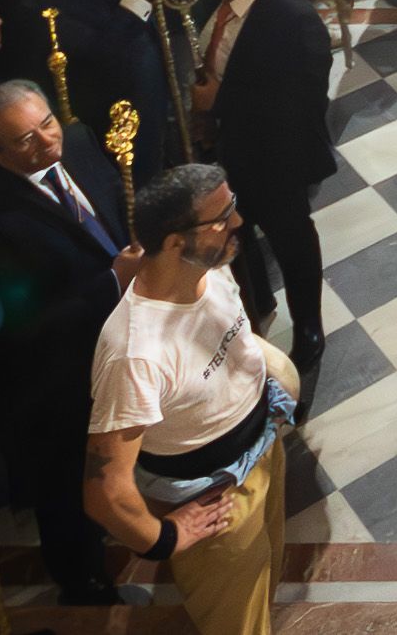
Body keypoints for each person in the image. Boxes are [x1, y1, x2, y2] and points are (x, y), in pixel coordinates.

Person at [86, 165, 297, 635]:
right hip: (216, 502)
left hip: (264, 448)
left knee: (264, 585)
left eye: (232, 206)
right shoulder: (134, 353)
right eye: (222, 219)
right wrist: (165, 538)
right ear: (175, 242)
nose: (238, 221)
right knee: (236, 624)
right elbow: (105, 493)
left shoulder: (212, 265)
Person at [0, 81, 135, 605]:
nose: (47, 142)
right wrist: (112, 282)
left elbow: (114, 211)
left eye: (46, 124)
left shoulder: (78, 141)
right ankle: (82, 581)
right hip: (54, 381)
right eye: (25, 140)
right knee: (69, 485)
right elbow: (21, 324)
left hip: (121, 343)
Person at [188, 0, 336, 383]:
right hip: (226, 150)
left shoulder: (291, 18)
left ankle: (309, 328)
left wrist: (221, 100)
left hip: (275, 158)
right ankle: (258, 302)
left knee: (291, 240)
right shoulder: (211, 0)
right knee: (236, 234)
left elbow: (303, 101)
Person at [0, 0, 180, 175]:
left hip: (168, 76)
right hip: (128, 108)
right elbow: (104, 53)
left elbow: (158, 2)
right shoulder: (37, 6)